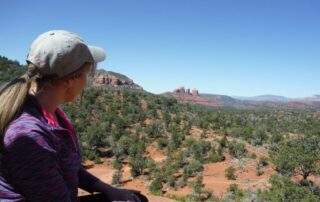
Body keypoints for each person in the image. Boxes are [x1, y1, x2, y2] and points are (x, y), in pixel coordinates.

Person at [0, 30, 147, 202]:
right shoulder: (30, 137)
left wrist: (109, 190)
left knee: (136, 199)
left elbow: (69, 167)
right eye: (87, 75)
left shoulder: (52, 114)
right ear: (70, 80)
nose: (87, 81)